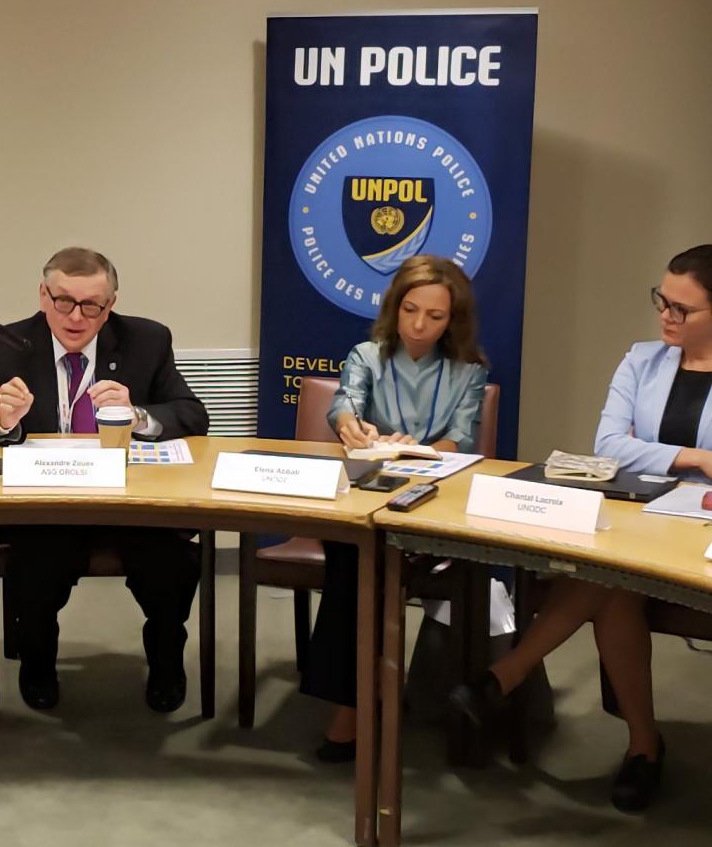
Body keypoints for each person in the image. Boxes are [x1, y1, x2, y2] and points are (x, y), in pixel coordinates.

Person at [451, 243, 712, 812]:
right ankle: (642, 747)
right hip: (642, 521)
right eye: (661, 300)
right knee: (612, 583)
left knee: (607, 582)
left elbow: (632, 451)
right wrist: (697, 459)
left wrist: (656, 456)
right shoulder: (642, 360)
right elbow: (609, 447)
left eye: (682, 309)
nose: (665, 316)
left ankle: (506, 677)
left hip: (702, 538)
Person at [0, 247, 208, 712]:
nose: (75, 317)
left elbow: (192, 414)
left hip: (130, 505)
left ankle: (167, 658)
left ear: (110, 305)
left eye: (92, 305)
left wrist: (137, 414)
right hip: (50, 505)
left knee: (171, 564)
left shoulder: (146, 340)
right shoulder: (10, 343)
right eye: (64, 301)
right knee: (35, 565)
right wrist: (4, 420)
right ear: (42, 296)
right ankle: (38, 662)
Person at [305, 255, 489, 762]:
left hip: (431, 505)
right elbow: (344, 404)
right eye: (410, 310)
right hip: (367, 496)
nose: (419, 324)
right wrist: (351, 427)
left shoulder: (468, 372)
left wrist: (422, 450)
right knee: (353, 556)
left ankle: (356, 703)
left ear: (453, 320)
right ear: (394, 307)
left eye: (435, 315)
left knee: (364, 563)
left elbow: (461, 439)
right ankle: (359, 696)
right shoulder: (367, 355)